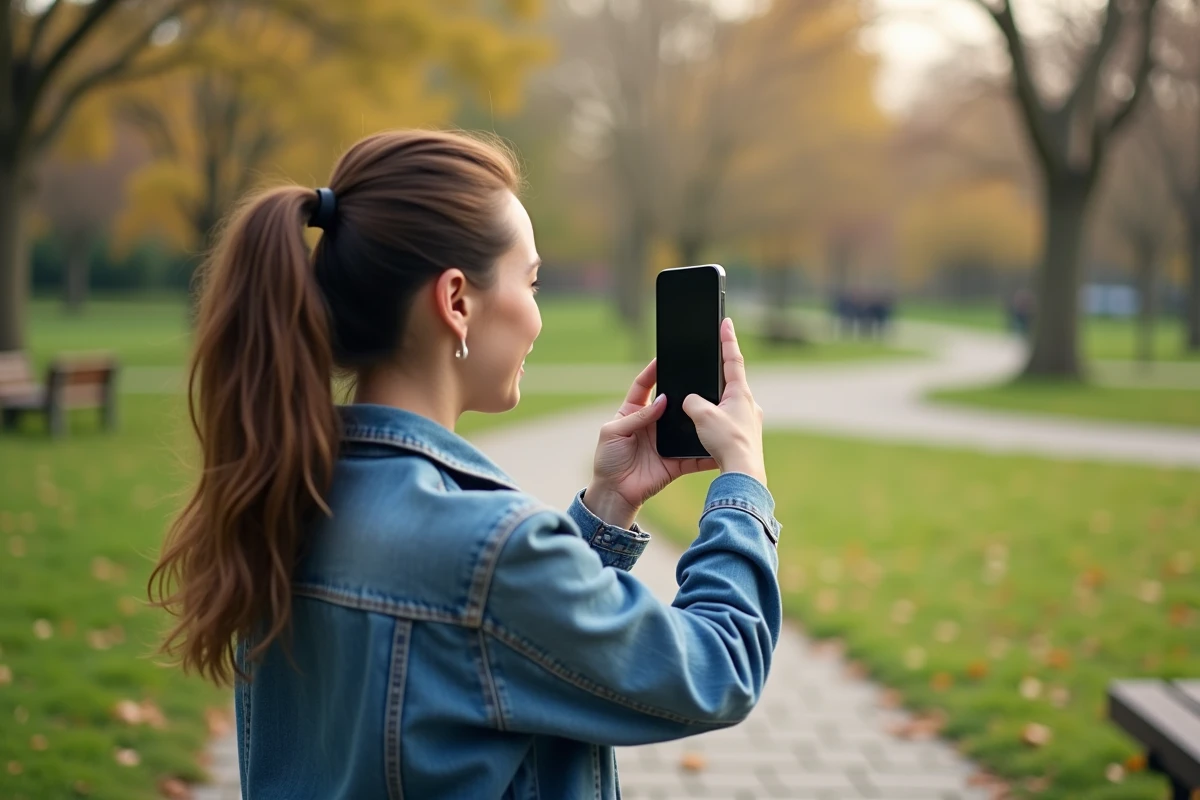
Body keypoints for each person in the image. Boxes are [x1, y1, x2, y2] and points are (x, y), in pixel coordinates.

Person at [149, 130, 781, 799]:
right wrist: (742, 480)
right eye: (531, 282)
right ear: (456, 302)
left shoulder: (286, 488)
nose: (537, 319)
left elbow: (501, 644)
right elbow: (718, 669)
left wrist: (607, 507)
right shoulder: (489, 551)